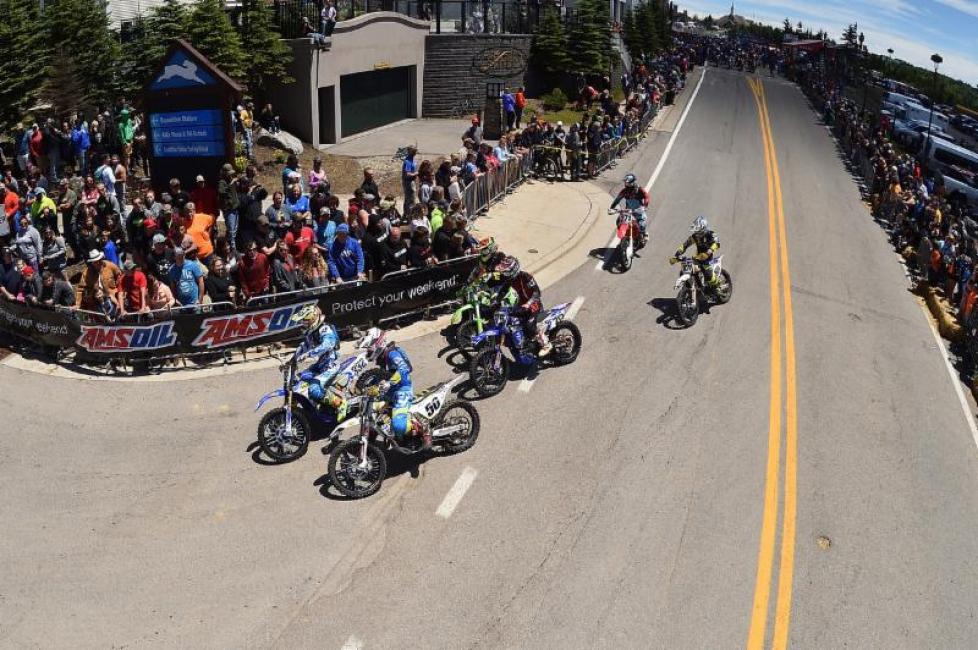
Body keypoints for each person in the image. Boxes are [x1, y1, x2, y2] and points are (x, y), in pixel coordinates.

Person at [358, 328, 429, 448]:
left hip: (402, 390)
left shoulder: (392, 354)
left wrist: (388, 383)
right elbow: (381, 375)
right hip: (392, 390)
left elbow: (404, 369)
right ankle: (370, 441)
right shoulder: (383, 357)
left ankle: (424, 430)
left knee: (398, 425)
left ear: (378, 343)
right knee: (372, 410)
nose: (369, 350)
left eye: (369, 347)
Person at [494, 255, 551, 357]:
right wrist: (495, 303)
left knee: (529, 325)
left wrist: (528, 304)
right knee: (510, 322)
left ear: (513, 269)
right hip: (521, 307)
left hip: (534, 304)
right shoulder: (509, 280)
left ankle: (546, 344)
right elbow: (502, 293)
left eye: (507, 271)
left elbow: (537, 292)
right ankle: (521, 344)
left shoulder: (526, 276)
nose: (505, 274)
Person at [670, 216, 721, 286]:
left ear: (703, 228)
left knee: (708, 275)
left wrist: (710, 250)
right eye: (695, 231)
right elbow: (686, 244)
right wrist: (679, 252)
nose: (696, 232)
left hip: (708, 259)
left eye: (698, 230)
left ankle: (718, 286)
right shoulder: (695, 237)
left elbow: (717, 243)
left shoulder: (711, 234)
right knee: (684, 271)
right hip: (698, 258)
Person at [609, 173, 650, 243]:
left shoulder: (640, 190)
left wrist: (644, 206)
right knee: (619, 221)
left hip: (638, 211)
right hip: (628, 211)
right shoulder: (624, 191)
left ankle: (644, 233)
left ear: (632, 183)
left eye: (626, 182)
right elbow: (617, 199)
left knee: (641, 224)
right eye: (625, 182)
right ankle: (624, 235)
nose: (625, 183)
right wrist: (612, 208)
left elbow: (647, 197)